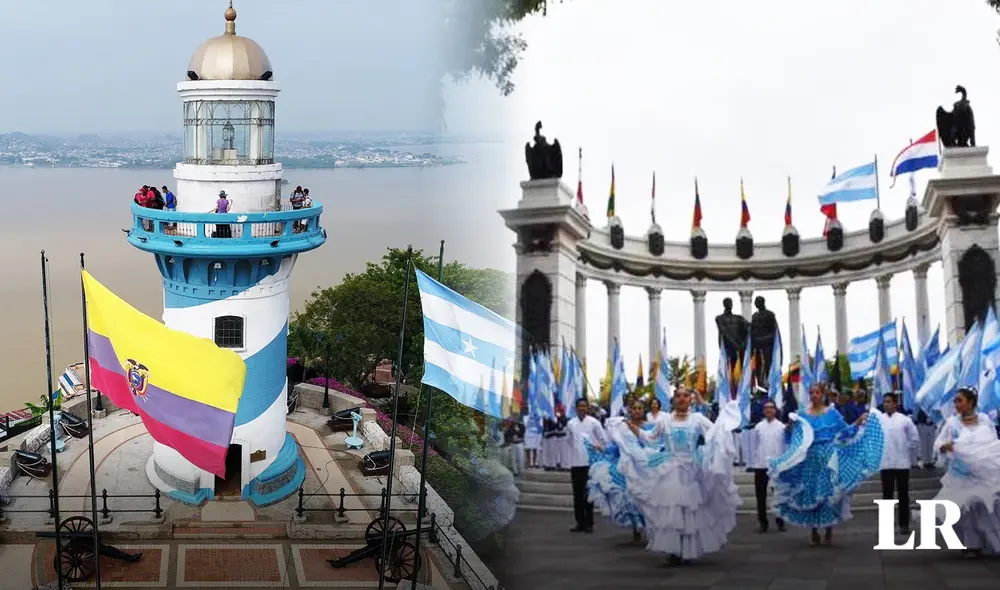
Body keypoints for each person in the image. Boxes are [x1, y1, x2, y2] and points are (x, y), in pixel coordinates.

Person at [627, 387, 740, 565]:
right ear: (673, 400)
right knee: (673, 510)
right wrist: (634, 429)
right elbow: (651, 438)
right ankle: (674, 551)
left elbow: (714, 434)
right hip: (670, 470)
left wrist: (725, 420)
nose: (681, 399)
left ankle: (688, 550)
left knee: (689, 511)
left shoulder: (698, 419)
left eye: (686, 396)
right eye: (678, 396)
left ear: (691, 400)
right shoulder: (665, 420)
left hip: (692, 471)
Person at [769, 384, 882, 546]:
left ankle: (829, 530)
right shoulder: (802, 414)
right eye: (811, 393)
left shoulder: (832, 413)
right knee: (811, 492)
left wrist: (857, 422)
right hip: (810, 458)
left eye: (817, 393)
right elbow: (791, 436)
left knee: (829, 493)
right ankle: (814, 530)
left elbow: (844, 432)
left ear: (822, 395)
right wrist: (790, 426)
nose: (814, 395)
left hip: (829, 458)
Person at [932, 388, 1000, 557]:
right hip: (961, 474)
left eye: (959, 400)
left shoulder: (984, 420)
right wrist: (945, 446)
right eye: (955, 401)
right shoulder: (952, 423)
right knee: (964, 509)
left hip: (984, 474)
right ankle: (971, 544)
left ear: (970, 403)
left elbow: (993, 442)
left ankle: (986, 541)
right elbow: (938, 443)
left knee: (984, 507)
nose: (956, 404)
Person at [586, 398, 648, 543]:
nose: (637, 411)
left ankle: (651, 529)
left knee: (646, 497)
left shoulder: (649, 427)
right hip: (626, 466)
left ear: (644, 411)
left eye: (640, 408)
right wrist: (603, 448)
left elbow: (654, 443)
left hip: (645, 466)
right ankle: (636, 529)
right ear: (630, 410)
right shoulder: (622, 428)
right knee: (630, 496)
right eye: (634, 408)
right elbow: (617, 446)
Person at [876, 392, 919, 535]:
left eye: (889, 402)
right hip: (885, 462)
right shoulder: (879, 419)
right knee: (887, 495)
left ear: (895, 403)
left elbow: (914, 438)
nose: (886, 404)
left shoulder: (904, 420)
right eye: (885, 402)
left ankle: (904, 524)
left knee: (903, 495)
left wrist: (904, 448)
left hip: (902, 462)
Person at [566, 398, 607, 533]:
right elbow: (569, 441)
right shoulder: (571, 423)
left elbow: (603, 440)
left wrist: (597, 448)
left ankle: (589, 523)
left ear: (588, 408)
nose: (582, 408)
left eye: (584, 406)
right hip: (576, 463)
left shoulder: (594, 422)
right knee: (577, 494)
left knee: (588, 494)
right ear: (576, 408)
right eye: (580, 406)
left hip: (590, 464)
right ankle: (580, 522)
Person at [750, 399, 787, 533]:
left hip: (776, 465)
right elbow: (754, 445)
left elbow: (785, 445)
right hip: (761, 465)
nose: (768, 410)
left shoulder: (781, 427)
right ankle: (763, 522)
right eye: (766, 408)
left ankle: (780, 520)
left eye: (771, 407)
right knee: (761, 496)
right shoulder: (758, 427)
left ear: (775, 410)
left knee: (778, 495)